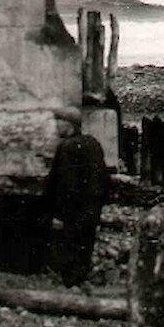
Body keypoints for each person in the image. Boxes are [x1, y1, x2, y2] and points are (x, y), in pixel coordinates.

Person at [44, 107, 111, 287]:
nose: (56, 127)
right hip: (92, 206)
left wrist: (59, 214)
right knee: (85, 244)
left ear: (69, 125)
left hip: (73, 209)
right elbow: (104, 178)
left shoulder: (67, 147)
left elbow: (66, 185)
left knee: (69, 246)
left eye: (59, 122)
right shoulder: (93, 143)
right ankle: (82, 279)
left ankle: (70, 285)